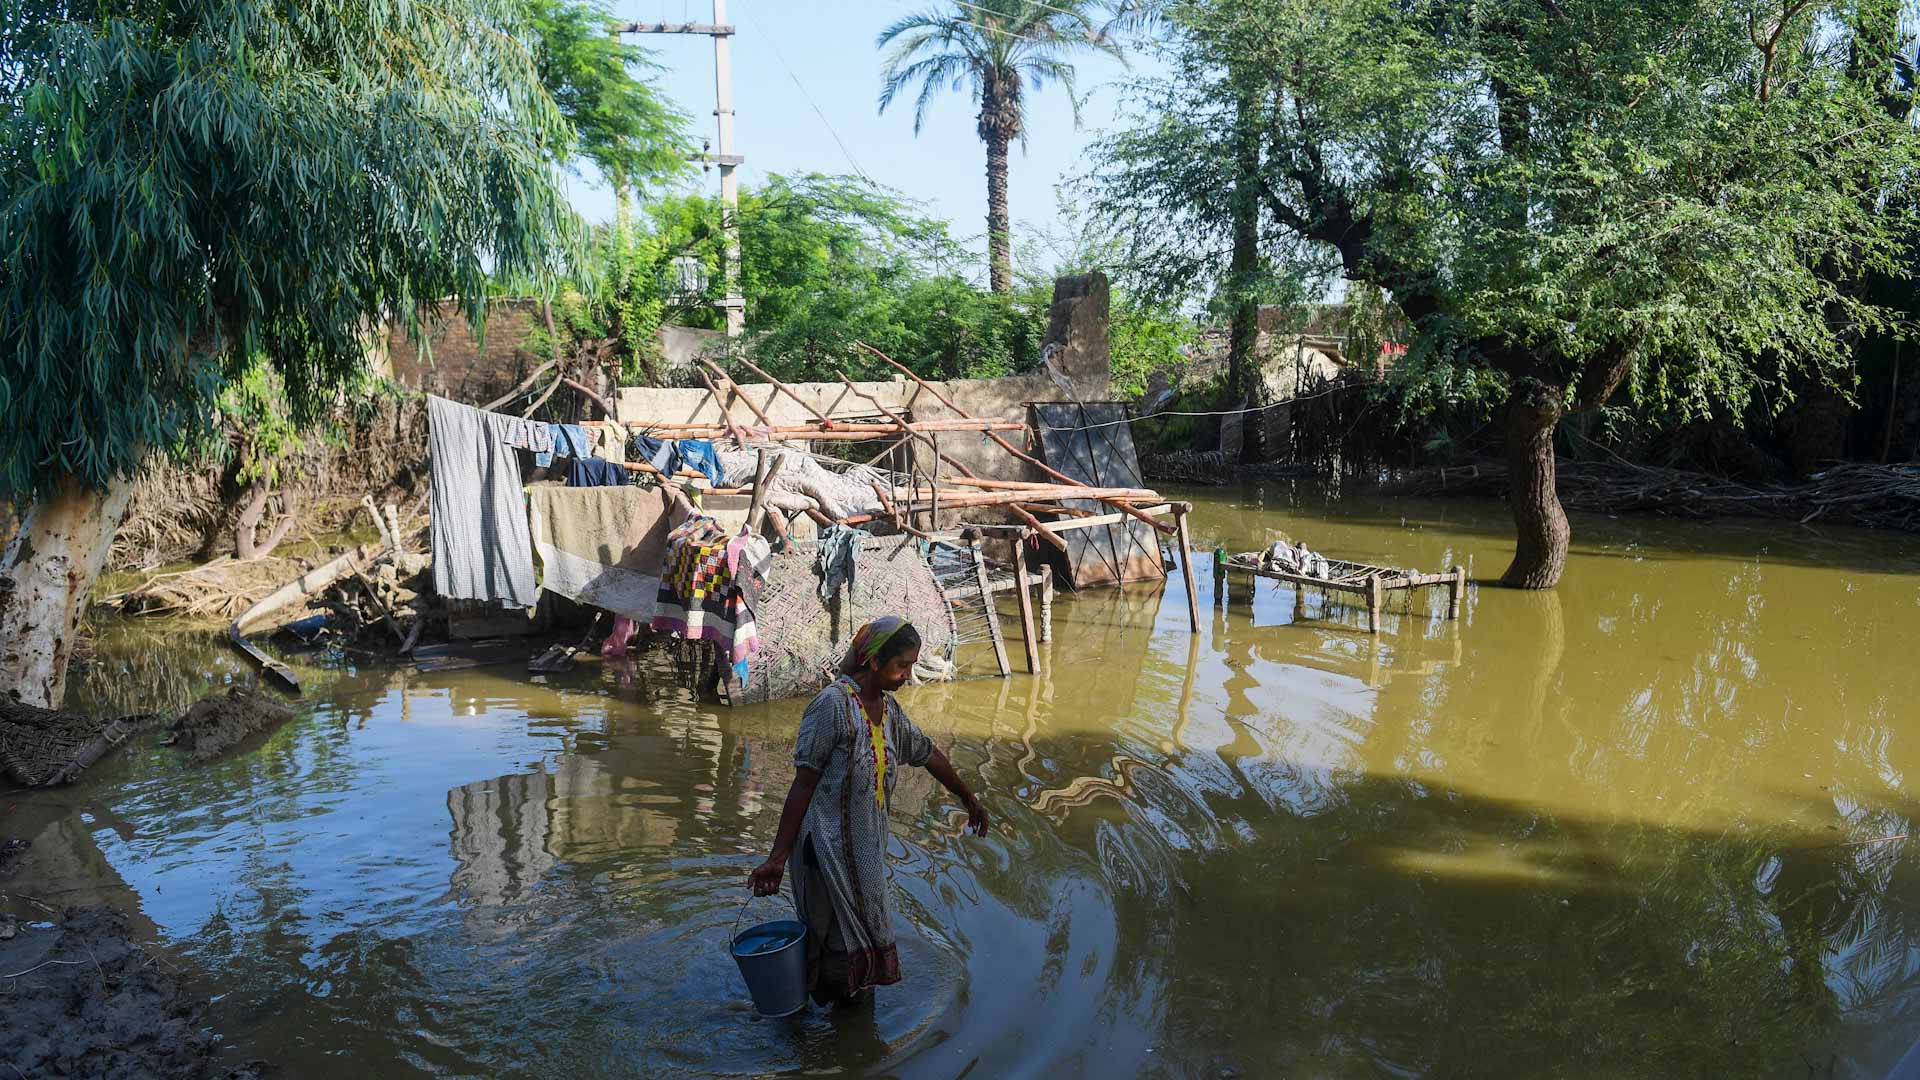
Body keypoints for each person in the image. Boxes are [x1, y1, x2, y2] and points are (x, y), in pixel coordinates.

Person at [747, 616, 989, 1007]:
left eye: (911, 665)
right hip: (824, 854)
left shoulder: (889, 713)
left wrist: (969, 799)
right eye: (902, 666)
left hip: (864, 855)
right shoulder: (832, 706)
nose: (908, 676)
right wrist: (776, 858)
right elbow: (802, 784)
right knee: (831, 948)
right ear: (874, 662)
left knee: (860, 952)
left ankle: (837, 1032)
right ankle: (820, 1040)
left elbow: (927, 753)